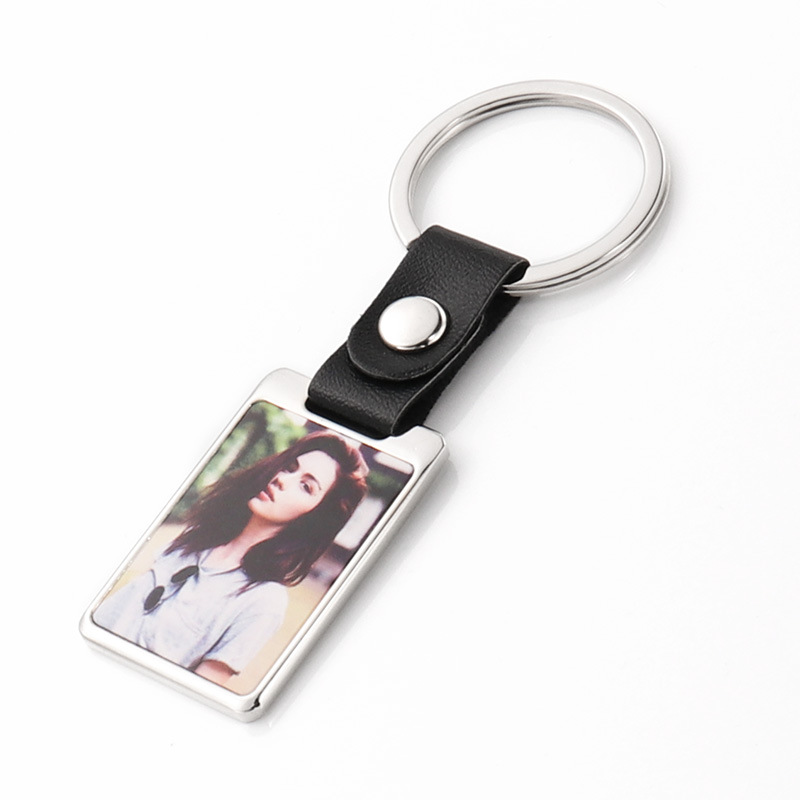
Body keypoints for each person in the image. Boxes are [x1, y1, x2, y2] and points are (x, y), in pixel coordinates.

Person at [93, 431, 368, 687]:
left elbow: (198, 691)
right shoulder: (198, 537)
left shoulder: (263, 602)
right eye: (289, 467)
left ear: (316, 516)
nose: (282, 479)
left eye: (306, 486)